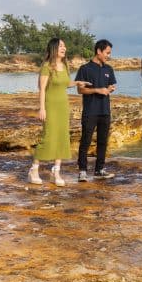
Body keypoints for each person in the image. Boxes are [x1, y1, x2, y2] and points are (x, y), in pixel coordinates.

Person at [29, 38, 87, 186]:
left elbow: (65, 84)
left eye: (65, 46)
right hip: (50, 105)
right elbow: (41, 89)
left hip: (63, 106)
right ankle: (33, 170)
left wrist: (78, 83)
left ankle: (56, 172)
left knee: (62, 137)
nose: (64, 48)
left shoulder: (65, 65)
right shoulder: (47, 66)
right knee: (48, 137)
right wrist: (42, 108)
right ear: (54, 48)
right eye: (61, 46)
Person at [75, 39, 118, 182]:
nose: (108, 56)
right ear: (99, 51)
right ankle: (82, 171)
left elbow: (112, 85)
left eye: (109, 53)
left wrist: (110, 88)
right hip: (90, 111)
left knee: (102, 142)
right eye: (107, 53)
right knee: (85, 141)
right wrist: (97, 90)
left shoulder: (108, 69)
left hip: (105, 111)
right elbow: (80, 89)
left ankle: (99, 170)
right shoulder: (84, 69)